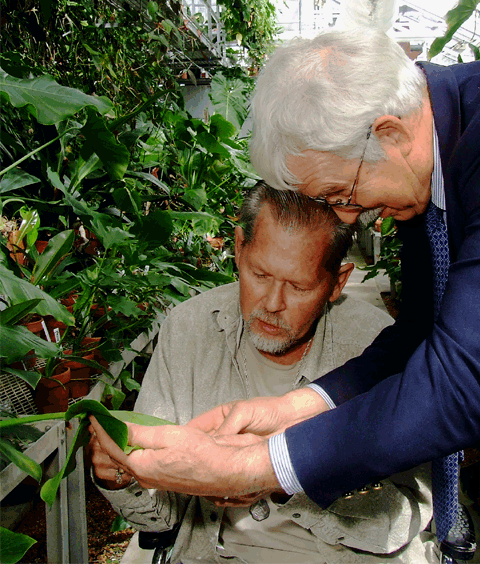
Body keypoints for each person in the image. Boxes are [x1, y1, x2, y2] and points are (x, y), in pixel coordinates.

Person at [92, 29, 480, 563]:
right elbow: (427, 332)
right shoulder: (425, 151)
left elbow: (460, 386)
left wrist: (252, 466)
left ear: (388, 132)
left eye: (341, 192)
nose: (347, 215)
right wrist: (297, 408)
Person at [88, 182, 438, 564]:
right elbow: (160, 517)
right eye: (260, 275)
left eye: (299, 286)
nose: (272, 304)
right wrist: (120, 477)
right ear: (238, 248)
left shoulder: (377, 346)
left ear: (336, 282)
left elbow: (408, 514)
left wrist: (279, 477)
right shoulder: (187, 330)